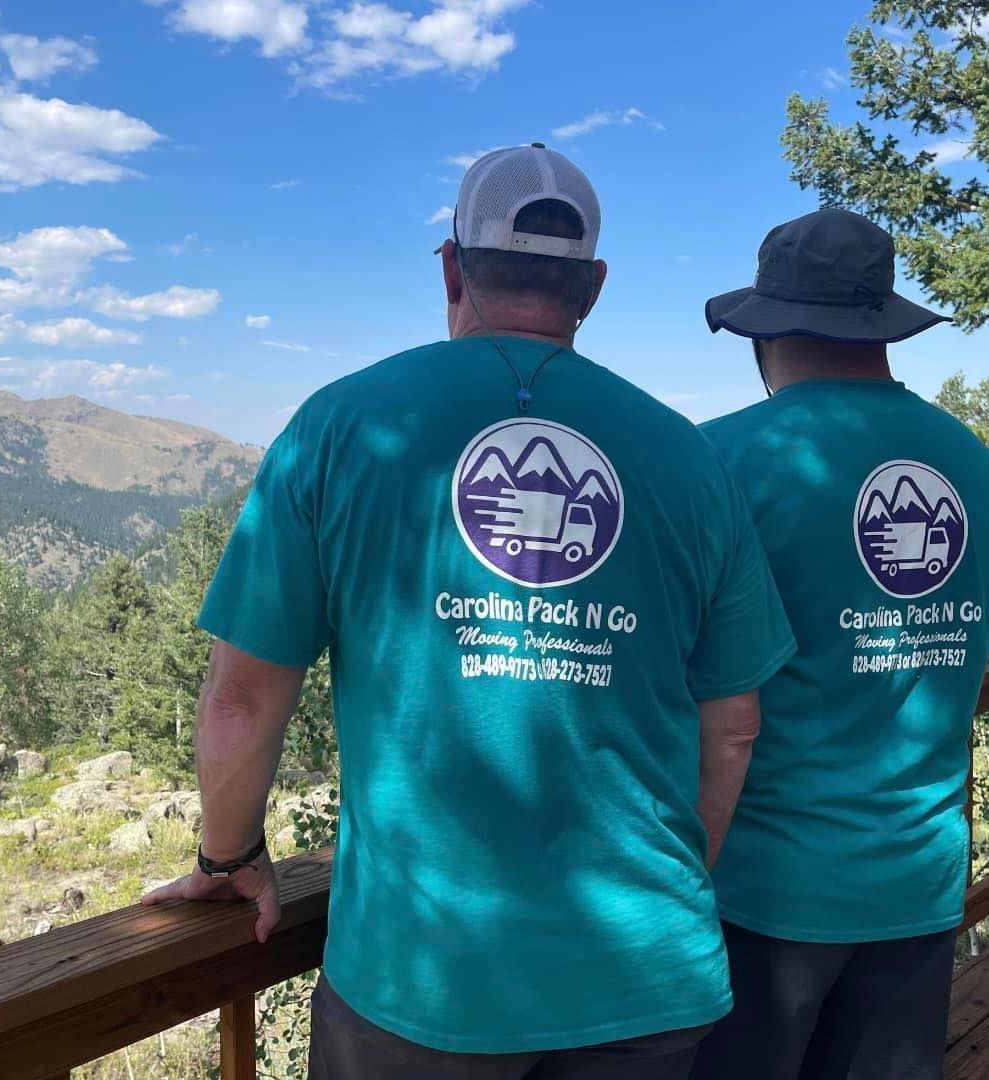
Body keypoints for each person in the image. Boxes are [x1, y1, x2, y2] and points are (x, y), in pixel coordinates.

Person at [144, 145, 795, 1079]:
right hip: (647, 974)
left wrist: (228, 854)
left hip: (426, 984)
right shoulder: (688, 457)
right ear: (594, 289)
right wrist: (672, 886)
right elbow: (731, 727)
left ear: (452, 266)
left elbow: (243, 698)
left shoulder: (338, 426)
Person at [690, 208, 989, 1080]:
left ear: (764, 327)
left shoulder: (719, 461)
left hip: (760, 890)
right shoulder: (968, 462)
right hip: (918, 879)